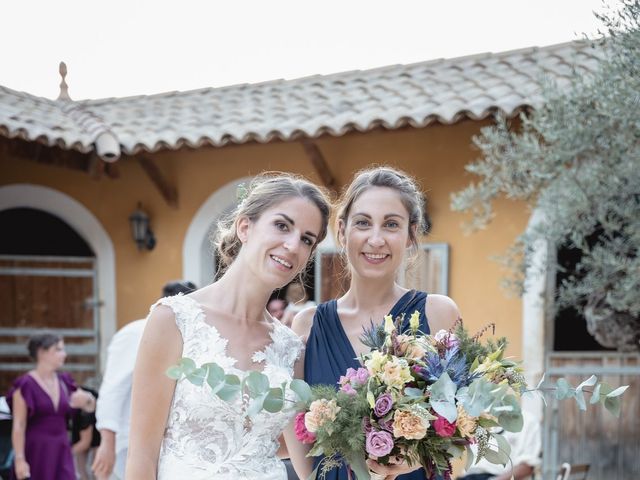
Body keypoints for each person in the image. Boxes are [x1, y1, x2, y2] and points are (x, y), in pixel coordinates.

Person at [125, 173, 331, 480]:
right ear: (245, 226)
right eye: (282, 225)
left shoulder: (290, 348)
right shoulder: (174, 319)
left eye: (306, 239)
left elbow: (289, 446)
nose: (292, 245)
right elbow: (142, 455)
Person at [286, 166, 461, 480]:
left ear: (411, 234)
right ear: (342, 231)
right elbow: (295, 429)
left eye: (391, 224)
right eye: (363, 223)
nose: (376, 239)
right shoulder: (307, 325)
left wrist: (413, 461)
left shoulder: (439, 313)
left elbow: (464, 423)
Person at [92, 280, 197, 480]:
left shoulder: (192, 334)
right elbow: (113, 388)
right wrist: (107, 441)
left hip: (175, 444)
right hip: (131, 440)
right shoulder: (135, 332)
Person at [7, 332, 96, 480]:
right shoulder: (25, 385)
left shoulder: (65, 382)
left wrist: (88, 400)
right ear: (42, 352)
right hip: (35, 451)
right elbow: (19, 425)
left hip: (61, 450)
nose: (64, 354)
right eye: (58, 349)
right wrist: (20, 459)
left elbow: (90, 405)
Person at [457, 412, 541, 480]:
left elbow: (527, 467)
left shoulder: (528, 420)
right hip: (468, 476)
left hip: (497, 476)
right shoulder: (476, 416)